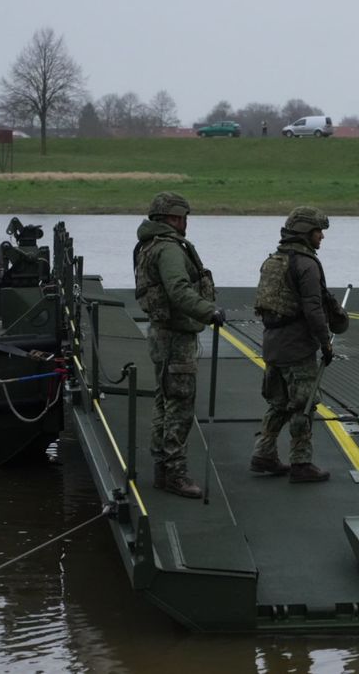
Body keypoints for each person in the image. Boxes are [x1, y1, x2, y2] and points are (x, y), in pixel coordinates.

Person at [133, 191, 225, 498]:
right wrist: (208, 311)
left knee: (165, 400)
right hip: (175, 337)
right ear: (173, 218)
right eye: (183, 217)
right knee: (180, 405)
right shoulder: (169, 250)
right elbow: (178, 290)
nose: (186, 223)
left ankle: (162, 467)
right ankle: (175, 472)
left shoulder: (148, 245)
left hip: (160, 333)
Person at [250, 206, 349, 483]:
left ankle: (264, 454)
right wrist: (324, 344)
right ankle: (301, 462)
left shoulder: (273, 261)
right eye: (319, 231)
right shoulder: (307, 264)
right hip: (297, 347)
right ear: (306, 231)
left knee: (278, 403)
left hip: (272, 344)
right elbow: (313, 309)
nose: (322, 237)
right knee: (303, 405)